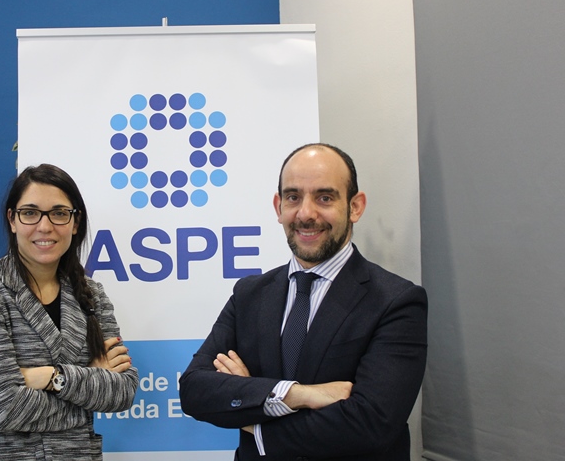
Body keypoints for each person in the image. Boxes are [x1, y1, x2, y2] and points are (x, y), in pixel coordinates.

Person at [179, 143, 427, 461]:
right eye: (294, 197)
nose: (306, 214)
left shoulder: (396, 301)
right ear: (278, 206)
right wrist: (298, 394)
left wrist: (256, 417)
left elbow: (371, 424)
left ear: (355, 206)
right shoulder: (249, 294)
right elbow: (194, 390)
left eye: (324, 198)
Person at [0, 164, 138, 461]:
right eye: (30, 213)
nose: (44, 226)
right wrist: (86, 394)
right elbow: (2, 405)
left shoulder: (92, 294)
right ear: (12, 220)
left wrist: (51, 377)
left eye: (59, 213)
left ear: (75, 222)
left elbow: (122, 392)